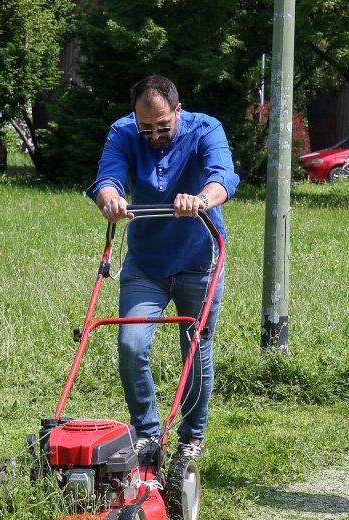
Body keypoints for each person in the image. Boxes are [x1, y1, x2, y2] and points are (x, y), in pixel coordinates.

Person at [86, 74, 240, 462]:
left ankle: (191, 438)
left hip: (199, 261)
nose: (153, 134)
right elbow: (107, 177)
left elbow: (223, 177)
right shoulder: (123, 132)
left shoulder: (206, 129)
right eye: (146, 128)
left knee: (196, 348)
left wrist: (202, 199)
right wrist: (111, 199)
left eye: (163, 126)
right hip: (146, 265)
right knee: (131, 344)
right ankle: (147, 434)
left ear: (178, 110)